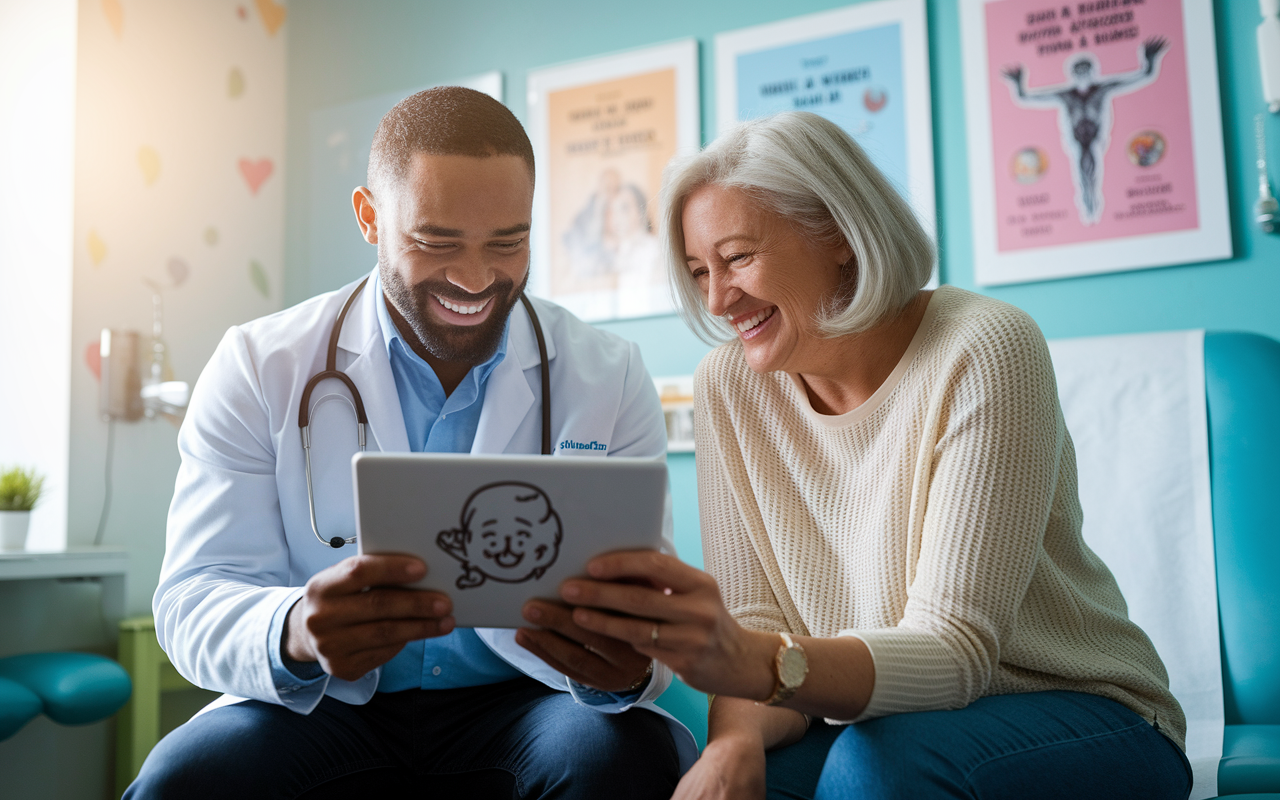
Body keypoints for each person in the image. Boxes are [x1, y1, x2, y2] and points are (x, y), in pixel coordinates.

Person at [551, 112, 1192, 799]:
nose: (717, 299)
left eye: (737, 257)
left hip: (1086, 713)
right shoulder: (730, 385)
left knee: (875, 767)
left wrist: (758, 661)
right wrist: (732, 744)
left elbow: (955, 652)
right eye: (699, 270)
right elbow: (761, 629)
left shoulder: (984, 348)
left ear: (839, 235)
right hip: (874, 721)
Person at [127, 87, 694, 799]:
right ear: (370, 217)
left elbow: (654, 609)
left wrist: (630, 667)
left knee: (620, 757)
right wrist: (295, 629)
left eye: (507, 242)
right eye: (437, 242)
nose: (475, 278)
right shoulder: (258, 364)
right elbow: (191, 598)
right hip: (324, 703)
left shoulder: (606, 374)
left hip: (524, 703)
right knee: (185, 779)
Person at [1001, 37, 1168, 225]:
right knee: (1083, 170)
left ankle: (1093, 205)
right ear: (1072, 74)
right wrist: (1018, 84)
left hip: (1096, 137)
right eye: (1078, 72)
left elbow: (1142, 76)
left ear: (1092, 72)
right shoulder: (1065, 95)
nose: (1082, 75)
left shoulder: (1102, 89)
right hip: (1076, 139)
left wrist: (1150, 62)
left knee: (1092, 166)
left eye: (1086, 71)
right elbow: (1027, 98)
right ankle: (1088, 206)